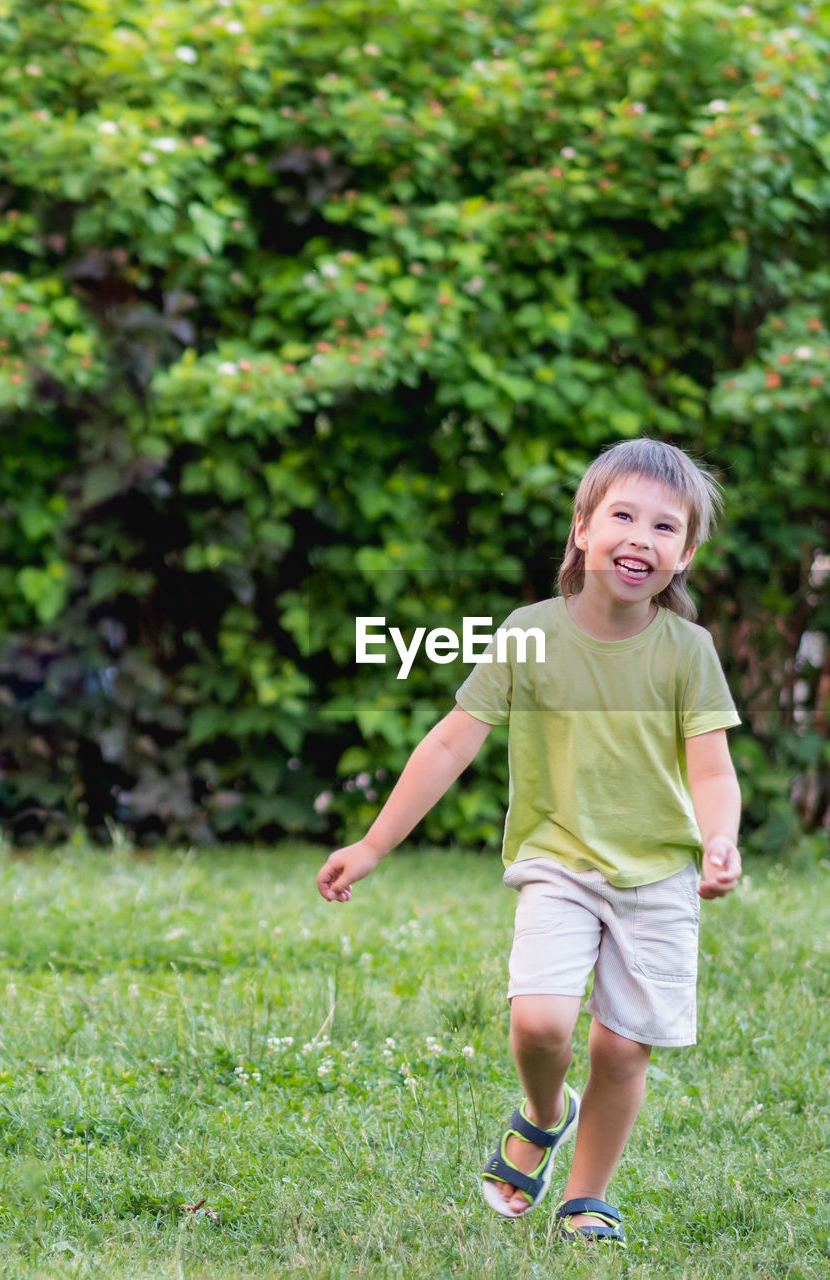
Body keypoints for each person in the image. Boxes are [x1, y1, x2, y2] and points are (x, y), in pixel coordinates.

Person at [317, 438, 742, 1246]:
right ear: (583, 529)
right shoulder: (528, 634)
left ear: (686, 554)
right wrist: (371, 846)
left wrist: (719, 839)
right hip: (558, 863)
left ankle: (586, 1197)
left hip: (658, 879)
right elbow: (449, 742)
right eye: (622, 515)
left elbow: (713, 771)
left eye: (664, 528)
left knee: (622, 1050)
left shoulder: (689, 652)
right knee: (541, 1025)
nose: (640, 539)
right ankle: (546, 1112)